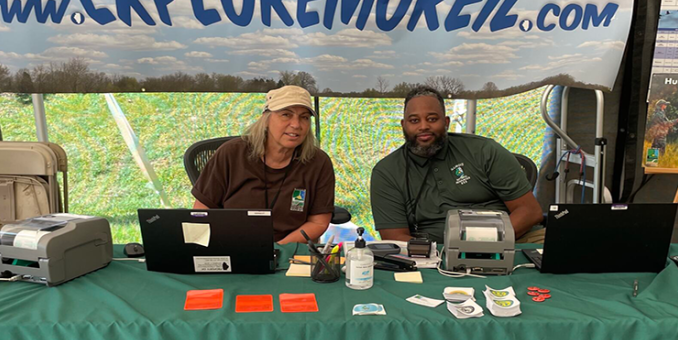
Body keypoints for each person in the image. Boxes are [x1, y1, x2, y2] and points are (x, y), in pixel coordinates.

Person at [369, 86, 543, 244]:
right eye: (414, 121)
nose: (423, 126)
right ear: (403, 125)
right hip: (432, 254)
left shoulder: (484, 150)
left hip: (511, 240)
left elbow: (529, 211)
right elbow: (395, 237)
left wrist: (483, 245)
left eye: (432, 119)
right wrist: (443, 254)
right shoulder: (386, 172)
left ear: (446, 122)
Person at [192, 85, 335, 244]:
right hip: (231, 245)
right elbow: (201, 211)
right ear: (266, 118)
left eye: (304, 117)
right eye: (286, 115)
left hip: (289, 251)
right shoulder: (231, 153)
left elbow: (318, 222)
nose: (296, 124)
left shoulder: (318, 162)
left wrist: (277, 249)